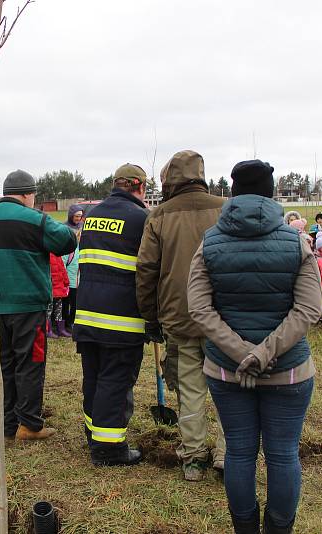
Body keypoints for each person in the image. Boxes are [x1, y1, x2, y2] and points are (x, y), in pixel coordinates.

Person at [188, 159, 322, 534]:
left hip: (227, 372)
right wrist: (264, 353)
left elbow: (199, 307)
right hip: (289, 372)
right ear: (271, 192)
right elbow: (309, 308)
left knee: (240, 453)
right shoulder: (296, 243)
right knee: (282, 455)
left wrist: (241, 353)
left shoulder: (209, 243)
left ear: (232, 192)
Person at [135, 150, 226, 481]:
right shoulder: (225, 208)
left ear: (169, 179)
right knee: (229, 390)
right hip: (224, 319)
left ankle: (193, 460)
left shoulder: (159, 215)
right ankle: (228, 455)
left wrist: (150, 317)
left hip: (179, 317)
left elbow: (146, 269)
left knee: (189, 391)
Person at [0, 170, 76, 439]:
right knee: (30, 363)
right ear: (28, 194)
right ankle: (29, 424)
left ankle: (7, 423)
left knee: (5, 363)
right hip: (28, 307)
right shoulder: (34, 219)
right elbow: (67, 240)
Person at [73, 163, 149, 466]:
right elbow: (148, 270)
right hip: (122, 318)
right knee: (115, 381)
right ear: (140, 187)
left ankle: (94, 433)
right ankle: (108, 448)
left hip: (87, 313)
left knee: (93, 377)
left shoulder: (92, 216)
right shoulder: (141, 218)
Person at [61, 205, 83, 331]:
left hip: (77, 276)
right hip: (68, 276)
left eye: (80, 216)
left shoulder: (81, 227)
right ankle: (65, 322)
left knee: (75, 302)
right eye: (76, 216)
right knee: (65, 302)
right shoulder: (64, 227)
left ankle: (72, 321)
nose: (78, 219)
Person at [47, 254, 70, 338]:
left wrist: (66, 282)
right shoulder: (46, 255)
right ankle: (48, 330)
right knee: (49, 310)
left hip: (58, 287)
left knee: (58, 309)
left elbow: (63, 269)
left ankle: (60, 329)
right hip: (50, 288)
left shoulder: (58, 255)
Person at [61, 235, 80, 332]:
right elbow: (62, 264)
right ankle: (65, 324)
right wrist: (65, 280)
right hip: (68, 283)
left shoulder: (82, 249)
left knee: (75, 305)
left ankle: (72, 322)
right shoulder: (69, 249)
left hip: (77, 283)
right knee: (65, 304)